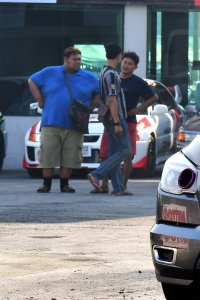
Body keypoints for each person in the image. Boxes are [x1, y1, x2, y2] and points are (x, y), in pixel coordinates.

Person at [28, 47, 100, 193]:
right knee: (48, 151)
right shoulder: (50, 72)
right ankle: (46, 184)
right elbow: (32, 81)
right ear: (66, 59)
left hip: (76, 123)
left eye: (79, 59)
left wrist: (90, 108)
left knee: (71, 153)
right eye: (74, 59)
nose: (78, 62)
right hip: (51, 120)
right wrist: (40, 100)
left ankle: (64, 184)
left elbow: (99, 94)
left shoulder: (89, 77)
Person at [95, 51, 157, 193]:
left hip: (128, 121)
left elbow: (154, 97)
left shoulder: (138, 82)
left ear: (135, 67)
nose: (126, 65)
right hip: (110, 121)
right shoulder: (113, 76)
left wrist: (138, 109)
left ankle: (122, 186)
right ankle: (104, 185)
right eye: (124, 62)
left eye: (130, 64)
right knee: (105, 153)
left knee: (126, 154)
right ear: (120, 61)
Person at [88, 43, 132, 196]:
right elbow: (112, 100)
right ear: (119, 56)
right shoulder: (112, 74)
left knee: (114, 151)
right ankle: (97, 174)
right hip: (115, 116)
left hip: (107, 116)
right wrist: (117, 122)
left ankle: (119, 188)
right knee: (125, 150)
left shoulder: (103, 71)